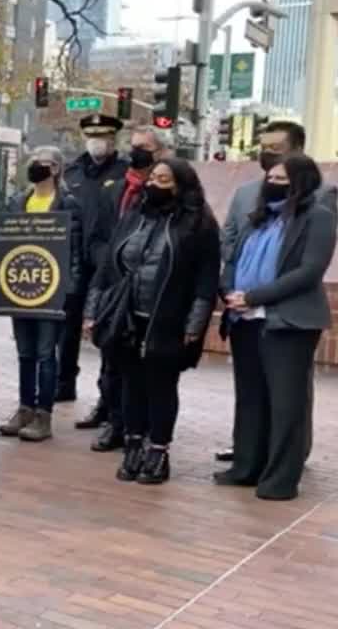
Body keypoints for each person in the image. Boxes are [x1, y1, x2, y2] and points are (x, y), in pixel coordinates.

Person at [86, 158, 220, 486]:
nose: (154, 184)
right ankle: (133, 444)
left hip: (168, 320)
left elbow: (206, 281)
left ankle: (158, 450)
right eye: (153, 178)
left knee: (161, 386)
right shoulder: (135, 215)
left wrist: (194, 326)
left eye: (164, 179)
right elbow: (107, 267)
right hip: (126, 316)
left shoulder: (199, 225)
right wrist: (93, 309)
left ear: (181, 185)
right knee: (130, 383)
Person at [214, 120, 336, 463]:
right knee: (250, 389)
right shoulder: (246, 193)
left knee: (288, 392)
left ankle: (286, 455)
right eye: (262, 149)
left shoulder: (321, 197)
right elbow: (231, 239)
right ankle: (248, 451)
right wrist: (232, 288)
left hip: (287, 311)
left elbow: (310, 265)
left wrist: (258, 295)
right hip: (245, 310)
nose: (266, 156)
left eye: (275, 150)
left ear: (297, 150)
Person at [77, 125, 175, 451]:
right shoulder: (116, 189)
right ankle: (115, 421)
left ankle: (143, 426)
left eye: (143, 147)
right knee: (112, 362)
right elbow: (97, 236)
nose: (136, 153)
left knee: (144, 368)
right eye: (133, 146)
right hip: (112, 288)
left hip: (148, 292)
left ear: (161, 152)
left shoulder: (170, 193)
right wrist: (112, 262)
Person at [0, 147, 82, 442]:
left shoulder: (67, 203)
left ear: (56, 169)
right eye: (32, 163)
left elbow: (74, 251)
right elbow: (6, 242)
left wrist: (69, 289)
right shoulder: (17, 201)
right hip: (22, 287)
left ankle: (43, 415)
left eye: (40, 164)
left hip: (52, 290)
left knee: (46, 354)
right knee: (25, 353)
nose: (34, 168)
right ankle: (24, 408)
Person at [59, 114, 127, 402]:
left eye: (104, 136)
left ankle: (106, 397)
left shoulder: (125, 172)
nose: (98, 142)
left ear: (113, 139)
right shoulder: (71, 172)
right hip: (74, 261)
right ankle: (63, 385)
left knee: (109, 329)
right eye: (93, 136)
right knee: (67, 327)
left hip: (108, 263)